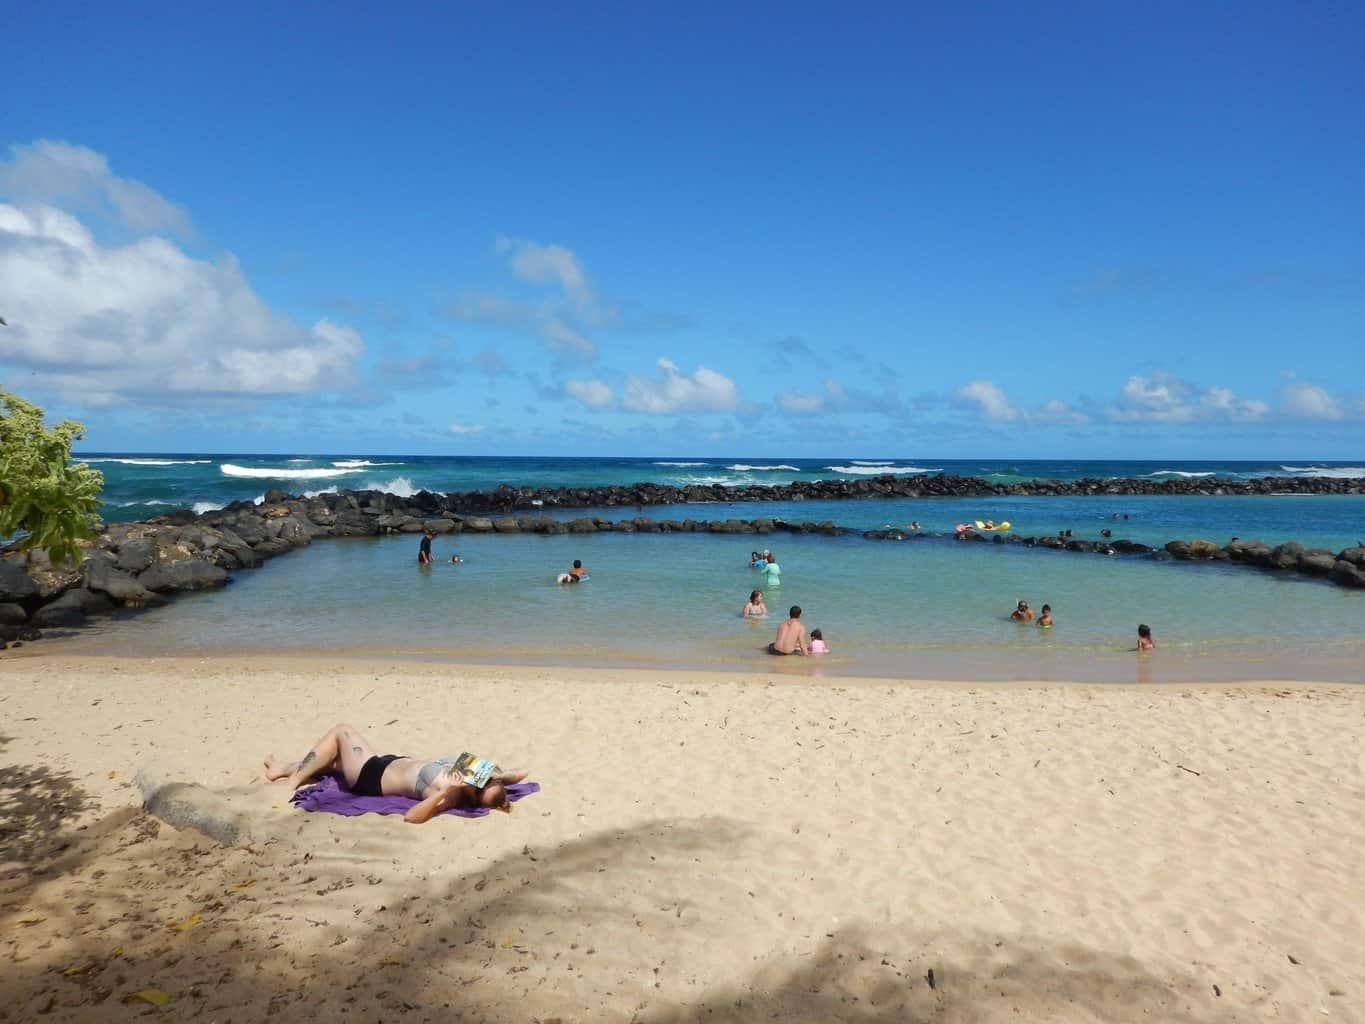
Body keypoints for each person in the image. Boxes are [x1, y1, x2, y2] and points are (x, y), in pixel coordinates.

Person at [264, 724, 528, 824]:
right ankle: (284, 768)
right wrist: (501, 780)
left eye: (480, 786)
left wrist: (446, 791)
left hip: (370, 776)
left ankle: (292, 781)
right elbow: (518, 773)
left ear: (472, 795)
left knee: (340, 732)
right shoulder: (472, 777)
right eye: (486, 780)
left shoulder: (450, 794)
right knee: (331, 764)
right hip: (386, 762)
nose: (481, 780)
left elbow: (412, 818)